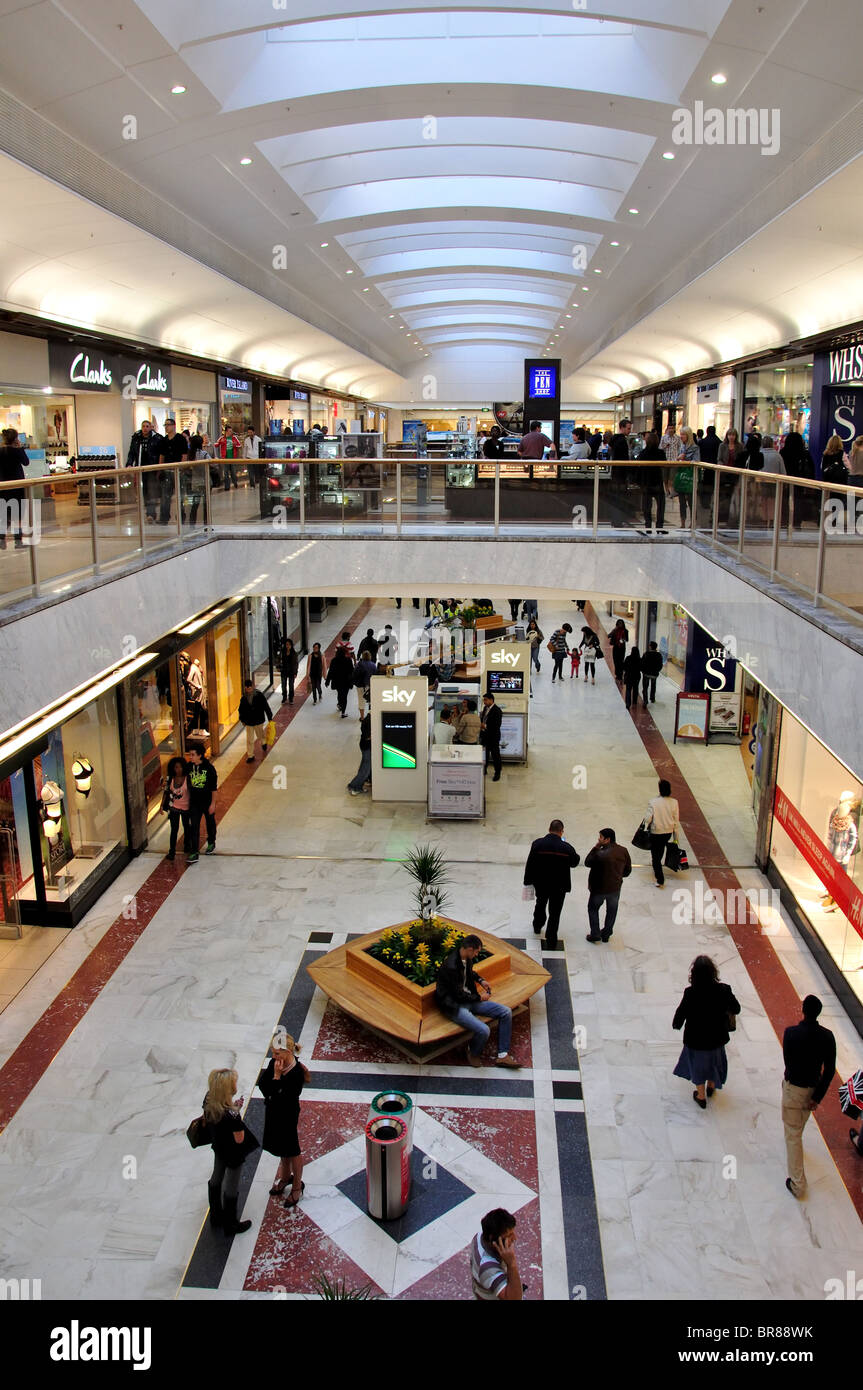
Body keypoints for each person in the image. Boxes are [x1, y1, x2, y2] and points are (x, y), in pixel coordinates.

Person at [435, 934, 520, 1068]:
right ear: (469, 949)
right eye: (476, 951)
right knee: (484, 1030)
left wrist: (481, 980)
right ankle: (472, 1052)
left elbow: (469, 972)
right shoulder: (450, 966)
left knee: (506, 1012)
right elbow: (458, 996)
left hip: (468, 999)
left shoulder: (465, 958)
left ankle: (503, 1055)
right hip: (454, 1006)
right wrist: (480, 998)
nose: (476, 954)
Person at [782, 995, 836, 1199]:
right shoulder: (828, 1037)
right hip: (812, 1090)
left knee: (793, 1135)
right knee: (799, 1125)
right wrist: (818, 1097)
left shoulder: (791, 1033)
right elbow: (829, 1071)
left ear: (803, 1010)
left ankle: (797, 1184)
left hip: (793, 1089)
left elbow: (788, 1062)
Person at [672, 956, 741, 1108]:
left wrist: (677, 1024)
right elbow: (736, 1008)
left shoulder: (690, 993)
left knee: (697, 1065)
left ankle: (701, 1095)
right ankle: (711, 1086)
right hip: (717, 1037)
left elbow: (681, 1012)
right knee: (715, 1062)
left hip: (695, 1038)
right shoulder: (724, 990)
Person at [202, 1067, 258, 1236]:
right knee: (231, 1185)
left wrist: (234, 1108)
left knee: (216, 1177)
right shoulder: (232, 1116)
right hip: (233, 1153)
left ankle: (216, 1215)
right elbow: (239, 1139)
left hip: (218, 1147)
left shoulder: (208, 1100)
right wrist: (236, 1112)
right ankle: (231, 1224)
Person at [257, 1030, 310, 1206]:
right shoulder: (275, 1062)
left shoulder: (296, 1073)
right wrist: (275, 1082)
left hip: (287, 1114)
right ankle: (285, 1176)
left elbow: (285, 1096)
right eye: (273, 1052)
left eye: (277, 1052)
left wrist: (277, 1078)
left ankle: (296, 1186)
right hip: (274, 1111)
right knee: (281, 1147)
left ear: (288, 1052)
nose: (273, 1056)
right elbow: (264, 1086)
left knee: (292, 1149)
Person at [523, 818, 580, 950]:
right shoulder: (566, 848)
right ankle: (551, 937)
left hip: (541, 883)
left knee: (540, 903)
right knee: (555, 912)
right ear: (561, 832)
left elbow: (530, 863)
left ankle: (537, 925)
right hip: (559, 887)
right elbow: (575, 862)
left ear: (549, 829)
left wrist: (527, 881)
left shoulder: (537, 844)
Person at [584, 829, 632, 943]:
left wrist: (596, 847)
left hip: (598, 888)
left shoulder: (599, 853)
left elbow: (587, 862)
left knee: (593, 909)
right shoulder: (623, 851)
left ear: (607, 839)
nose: (598, 839)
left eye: (600, 837)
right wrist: (618, 877)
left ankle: (595, 933)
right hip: (615, 888)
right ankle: (606, 933)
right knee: (612, 911)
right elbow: (627, 870)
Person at [470, 1209, 523, 1301]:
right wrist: (511, 1264)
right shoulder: (488, 1268)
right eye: (509, 1235)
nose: (514, 1238)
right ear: (492, 1238)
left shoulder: (479, 1236)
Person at [644, 778, 681, 887]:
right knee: (660, 851)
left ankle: (660, 879)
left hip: (656, 833)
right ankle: (658, 865)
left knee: (655, 856)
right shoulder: (674, 802)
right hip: (668, 833)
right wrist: (676, 838)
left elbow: (647, 819)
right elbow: (676, 821)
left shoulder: (653, 802)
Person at [125, 419, 162, 523]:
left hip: (152, 468)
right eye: (143, 426)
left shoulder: (157, 438)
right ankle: (149, 513)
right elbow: (132, 452)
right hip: (141, 468)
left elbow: (160, 453)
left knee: (152, 491)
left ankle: (151, 512)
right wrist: (129, 464)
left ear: (151, 427)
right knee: (145, 491)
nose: (145, 428)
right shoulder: (137, 438)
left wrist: (160, 466)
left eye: (147, 426)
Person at [186, 741, 218, 862]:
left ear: (200, 755)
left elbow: (214, 788)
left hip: (207, 801)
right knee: (194, 826)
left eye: (193, 754)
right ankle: (194, 851)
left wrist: (213, 804)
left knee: (210, 822)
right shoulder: (189, 767)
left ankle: (211, 841)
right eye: (190, 754)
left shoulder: (209, 769)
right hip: (194, 802)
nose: (191, 757)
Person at [157, 417, 188, 525]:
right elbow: (162, 455)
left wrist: (182, 468)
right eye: (165, 425)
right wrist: (160, 469)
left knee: (180, 495)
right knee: (165, 495)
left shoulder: (180, 439)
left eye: (168, 425)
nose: (166, 427)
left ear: (173, 426)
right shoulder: (164, 440)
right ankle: (164, 517)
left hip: (178, 471)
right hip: (167, 471)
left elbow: (184, 455)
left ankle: (181, 515)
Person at [636, 431, 668, 534]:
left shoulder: (643, 453)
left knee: (647, 505)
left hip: (646, 482)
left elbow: (638, 467)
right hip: (657, 482)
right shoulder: (660, 453)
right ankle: (659, 526)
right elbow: (664, 465)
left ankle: (648, 526)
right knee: (661, 505)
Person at [238, 679, 273, 763]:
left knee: (260, 734)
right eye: (247, 688)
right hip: (249, 721)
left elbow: (265, 706)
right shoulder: (244, 698)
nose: (249, 690)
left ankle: (263, 742)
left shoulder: (259, 695)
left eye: (250, 688)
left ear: (252, 686)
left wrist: (270, 716)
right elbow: (241, 709)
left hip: (258, 720)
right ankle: (250, 755)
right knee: (249, 739)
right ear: (245, 688)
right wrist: (242, 719)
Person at [163, 756, 190, 862]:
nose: (178, 770)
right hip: (174, 808)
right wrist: (162, 806)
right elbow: (166, 792)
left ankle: (187, 845)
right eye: (176, 768)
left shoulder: (188, 778)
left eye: (180, 767)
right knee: (174, 830)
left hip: (186, 808)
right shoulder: (170, 778)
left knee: (187, 827)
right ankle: (172, 851)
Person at [674, 426, 698, 527]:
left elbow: (697, 461)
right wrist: (679, 459)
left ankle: (693, 522)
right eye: (681, 434)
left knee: (692, 502)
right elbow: (678, 459)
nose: (681, 436)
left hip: (690, 477)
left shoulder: (695, 448)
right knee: (682, 502)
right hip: (681, 477)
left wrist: (685, 460)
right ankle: (683, 522)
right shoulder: (682, 447)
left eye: (683, 434)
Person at [326, 638, 355, 716]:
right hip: (346, 681)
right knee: (345, 696)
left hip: (337, 681)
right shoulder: (348, 660)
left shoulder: (334, 660)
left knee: (339, 693)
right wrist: (353, 681)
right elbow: (352, 671)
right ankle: (343, 712)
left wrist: (327, 681)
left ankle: (339, 704)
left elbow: (330, 671)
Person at [347, 711, 372, 794]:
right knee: (365, 769)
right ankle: (354, 787)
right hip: (367, 747)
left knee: (364, 767)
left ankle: (366, 781)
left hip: (365, 746)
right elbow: (367, 736)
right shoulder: (368, 721)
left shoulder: (367, 719)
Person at [481, 692, 502, 781]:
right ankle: (484, 769)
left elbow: (497, 725)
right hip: (485, 736)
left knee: (495, 755)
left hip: (493, 737)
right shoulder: (485, 708)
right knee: (484, 754)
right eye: (484, 700)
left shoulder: (497, 711)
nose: (484, 702)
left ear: (491, 700)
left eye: (485, 700)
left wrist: (485, 726)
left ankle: (497, 772)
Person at [215, 424, 242, 489]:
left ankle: (235, 483)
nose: (231, 432)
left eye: (231, 431)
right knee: (226, 473)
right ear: (226, 431)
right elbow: (216, 445)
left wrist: (235, 445)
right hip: (225, 458)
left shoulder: (234, 438)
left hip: (232, 458)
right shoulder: (222, 438)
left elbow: (240, 445)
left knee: (233, 472)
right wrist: (220, 442)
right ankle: (227, 486)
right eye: (230, 431)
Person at [354, 650, 377, 719]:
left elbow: (354, 674)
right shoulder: (373, 665)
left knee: (361, 701)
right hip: (370, 686)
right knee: (371, 701)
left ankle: (362, 717)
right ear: (370, 656)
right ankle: (370, 716)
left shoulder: (359, 664)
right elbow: (375, 675)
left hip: (360, 685)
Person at [640, 641, 663, 705]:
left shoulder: (646, 654)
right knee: (653, 686)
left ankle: (645, 701)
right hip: (654, 674)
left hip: (646, 674)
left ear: (650, 646)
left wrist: (643, 671)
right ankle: (652, 698)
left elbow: (642, 663)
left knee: (645, 687)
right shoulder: (659, 655)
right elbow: (660, 665)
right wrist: (657, 671)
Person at [609, 617, 628, 683]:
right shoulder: (615, 630)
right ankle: (617, 674)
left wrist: (622, 640)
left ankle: (620, 674)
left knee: (621, 661)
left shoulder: (625, 631)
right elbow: (608, 636)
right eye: (619, 624)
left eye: (621, 624)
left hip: (622, 648)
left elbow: (627, 639)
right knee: (615, 661)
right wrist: (613, 631)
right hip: (616, 648)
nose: (620, 625)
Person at [622, 644, 641, 709]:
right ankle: (635, 701)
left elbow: (624, 667)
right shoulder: (639, 659)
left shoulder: (628, 658)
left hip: (629, 677)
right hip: (636, 677)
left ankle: (628, 703)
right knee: (635, 689)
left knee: (628, 690)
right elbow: (641, 668)